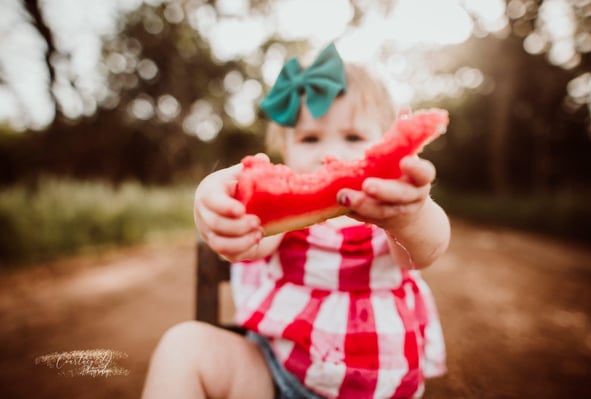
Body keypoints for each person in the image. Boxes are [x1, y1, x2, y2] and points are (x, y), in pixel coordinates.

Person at [141, 43, 450, 399]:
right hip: (276, 378)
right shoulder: (287, 220)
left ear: (384, 141)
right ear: (285, 151)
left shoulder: (389, 211)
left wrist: (413, 216)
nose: (329, 153)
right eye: (310, 138)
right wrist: (216, 201)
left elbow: (427, 249)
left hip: (381, 389)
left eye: (353, 137)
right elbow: (251, 239)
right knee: (183, 347)